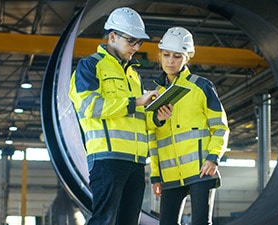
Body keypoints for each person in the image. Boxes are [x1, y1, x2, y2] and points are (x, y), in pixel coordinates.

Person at [68, 7, 172, 225]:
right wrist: (136, 102)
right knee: (104, 221)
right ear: (112, 36)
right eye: (131, 41)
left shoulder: (134, 75)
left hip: (135, 163)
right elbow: (90, 107)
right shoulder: (90, 66)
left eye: (139, 43)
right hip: (107, 159)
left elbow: (138, 119)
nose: (135, 48)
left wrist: (157, 117)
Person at [149, 27, 230, 225]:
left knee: (201, 222)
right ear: (159, 55)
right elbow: (153, 138)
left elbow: (220, 126)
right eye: (166, 55)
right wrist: (155, 175)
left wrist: (213, 158)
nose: (170, 61)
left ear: (187, 57)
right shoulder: (155, 95)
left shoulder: (201, 86)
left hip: (201, 169)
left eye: (177, 56)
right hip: (169, 173)